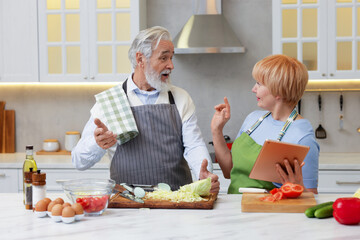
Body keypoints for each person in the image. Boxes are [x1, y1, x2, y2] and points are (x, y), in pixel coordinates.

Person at [72, 26, 219, 193]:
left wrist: (203, 172)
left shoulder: (180, 98)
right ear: (140, 59)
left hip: (176, 202)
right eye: (163, 58)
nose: (171, 65)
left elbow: (193, 145)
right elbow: (79, 161)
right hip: (126, 203)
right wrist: (97, 144)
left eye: (171, 58)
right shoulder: (110, 101)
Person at [211, 54, 319, 194]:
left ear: (278, 91)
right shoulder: (253, 119)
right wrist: (216, 130)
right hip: (235, 208)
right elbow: (228, 171)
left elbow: (311, 197)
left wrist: (297, 188)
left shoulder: (302, 137)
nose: (253, 89)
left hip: (269, 212)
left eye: (259, 84)